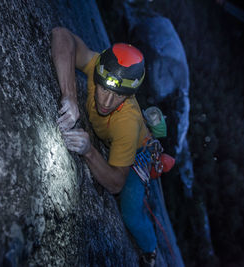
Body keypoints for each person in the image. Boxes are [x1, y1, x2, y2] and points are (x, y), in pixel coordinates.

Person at [51, 27, 157, 266]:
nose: (106, 101)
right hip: (115, 137)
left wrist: (89, 151)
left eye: (118, 96)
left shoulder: (127, 124)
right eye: (103, 88)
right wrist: (69, 94)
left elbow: (116, 183)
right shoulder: (100, 65)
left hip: (139, 152)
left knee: (131, 214)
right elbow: (61, 35)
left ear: (128, 96)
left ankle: (150, 248)